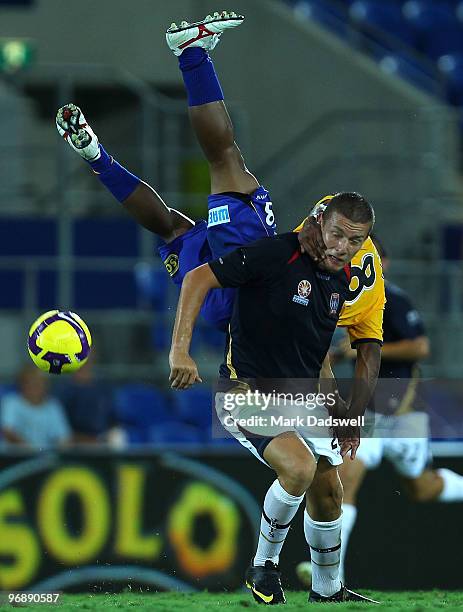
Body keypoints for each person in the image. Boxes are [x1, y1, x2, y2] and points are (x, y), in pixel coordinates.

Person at [329, 236, 463, 583]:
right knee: (345, 479)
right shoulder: (347, 300)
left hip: (403, 413)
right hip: (369, 413)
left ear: (381, 265)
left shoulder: (395, 299)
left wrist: (367, 347)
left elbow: (420, 347)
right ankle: (331, 578)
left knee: (423, 488)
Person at [0, 364, 71, 449]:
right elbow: (8, 432)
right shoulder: (11, 402)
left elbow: (63, 437)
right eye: (30, 382)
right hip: (14, 458)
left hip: (46, 458)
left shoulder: (53, 406)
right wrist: (30, 449)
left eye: (39, 382)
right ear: (22, 384)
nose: (35, 386)